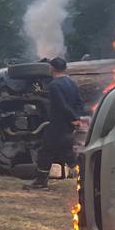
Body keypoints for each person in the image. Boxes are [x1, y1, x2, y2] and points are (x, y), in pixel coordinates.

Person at [27, 56, 84, 189]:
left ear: (52, 68)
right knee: (68, 153)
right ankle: (85, 176)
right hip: (69, 127)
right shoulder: (72, 83)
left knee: (45, 152)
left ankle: (41, 182)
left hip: (58, 125)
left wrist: (72, 118)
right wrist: (77, 118)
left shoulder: (54, 85)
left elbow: (61, 105)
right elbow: (79, 103)